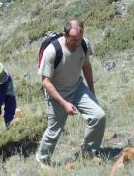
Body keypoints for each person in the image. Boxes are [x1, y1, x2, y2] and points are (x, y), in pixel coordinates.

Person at [36, 19, 106, 167]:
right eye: (73, 40)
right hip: (57, 93)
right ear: (65, 35)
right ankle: (42, 159)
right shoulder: (53, 51)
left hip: (77, 87)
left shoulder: (84, 44)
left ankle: (88, 153)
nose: (76, 43)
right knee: (54, 130)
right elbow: (46, 82)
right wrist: (64, 103)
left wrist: (91, 90)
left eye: (79, 39)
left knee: (99, 116)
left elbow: (86, 66)